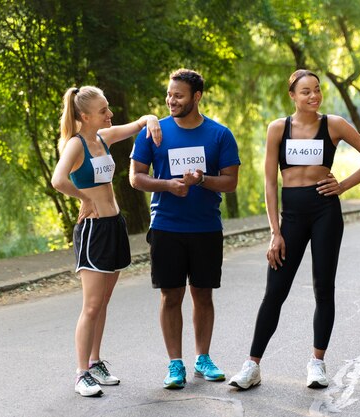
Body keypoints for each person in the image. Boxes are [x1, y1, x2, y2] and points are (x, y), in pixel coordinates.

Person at [228, 69, 360, 390]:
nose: (313, 96)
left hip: (325, 212)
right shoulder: (278, 129)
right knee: (275, 291)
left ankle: (317, 363)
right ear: (292, 96)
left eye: (317, 90)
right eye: (305, 92)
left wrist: (342, 186)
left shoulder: (334, 125)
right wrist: (275, 231)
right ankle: (252, 365)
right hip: (292, 216)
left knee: (323, 288)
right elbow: (270, 183)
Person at [129, 69, 240, 390]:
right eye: (169, 95)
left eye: (178, 95)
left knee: (203, 295)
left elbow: (231, 182)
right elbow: (136, 177)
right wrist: (167, 185)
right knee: (170, 295)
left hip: (206, 228)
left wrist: (202, 180)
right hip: (166, 226)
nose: (171, 100)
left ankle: (202, 358)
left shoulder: (220, 135)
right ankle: (175, 363)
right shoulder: (154, 133)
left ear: (197, 97)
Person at [51, 86, 161, 397]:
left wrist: (151, 119)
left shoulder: (104, 137)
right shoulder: (75, 145)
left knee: (104, 304)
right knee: (91, 306)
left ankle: (95, 362)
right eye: (103, 111)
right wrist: (83, 197)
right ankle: (81, 372)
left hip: (114, 225)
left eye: (109, 108)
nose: (110, 115)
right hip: (93, 231)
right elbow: (58, 180)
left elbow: (140, 123)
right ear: (84, 116)